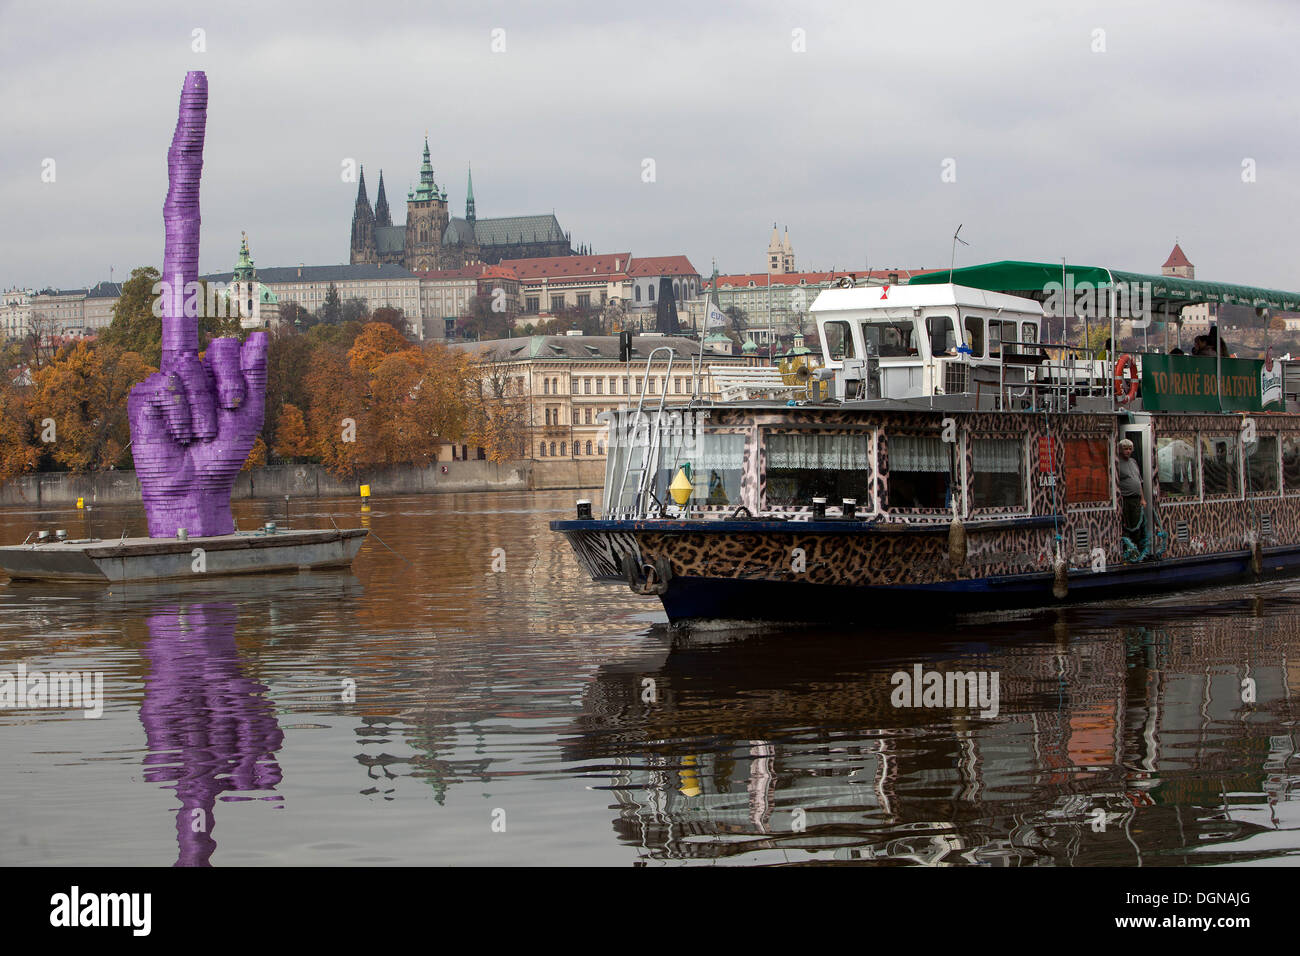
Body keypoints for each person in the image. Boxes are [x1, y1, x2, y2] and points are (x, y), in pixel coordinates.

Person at [1117, 438, 1145, 541]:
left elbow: (1139, 481)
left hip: (1136, 499)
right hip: (1125, 499)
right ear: (1120, 449)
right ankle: (1129, 548)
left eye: (1129, 449)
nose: (1128, 451)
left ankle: (1137, 548)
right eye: (1125, 449)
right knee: (1127, 525)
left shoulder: (1133, 462)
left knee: (1137, 524)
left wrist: (1142, 498)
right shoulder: (1117, 463)